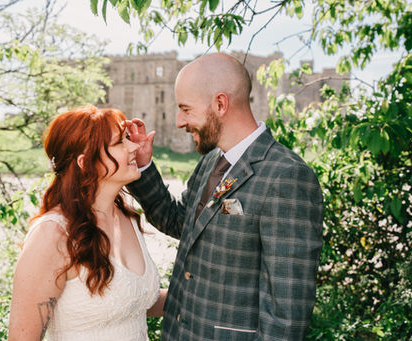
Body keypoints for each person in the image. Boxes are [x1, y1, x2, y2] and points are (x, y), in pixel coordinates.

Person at [126, 53, 323, 340]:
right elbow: (179, 222)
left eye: (186, 109)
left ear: (220, 104)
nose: (180, 121)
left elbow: (286, 317)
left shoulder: (287, 176)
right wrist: (143, 165)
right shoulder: (211, 161)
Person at [8, 105, 166, 340]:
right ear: (85, 163)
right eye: (120, 142)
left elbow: (132, 302)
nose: (134, 147)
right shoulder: (53, 235)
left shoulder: (127, 216)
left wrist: (205, 295)